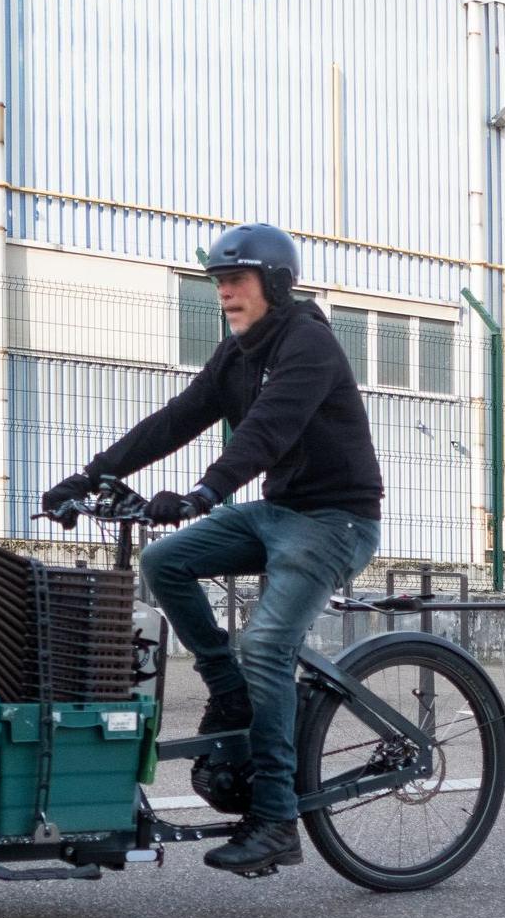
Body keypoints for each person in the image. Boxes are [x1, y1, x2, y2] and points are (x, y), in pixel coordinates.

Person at [42, 223, 383, 875]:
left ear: (275, 284)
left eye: (238, 280)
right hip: (278, 513)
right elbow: (176, 418)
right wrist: (91, 477)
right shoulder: (237, 354)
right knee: (163, 562)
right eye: (219, 283)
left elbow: (265, 432)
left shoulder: (309, 344)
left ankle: (277, 819)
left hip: (334, 521)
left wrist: (203, 493)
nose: (225, 293)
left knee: (265, 645)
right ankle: (230, 694)